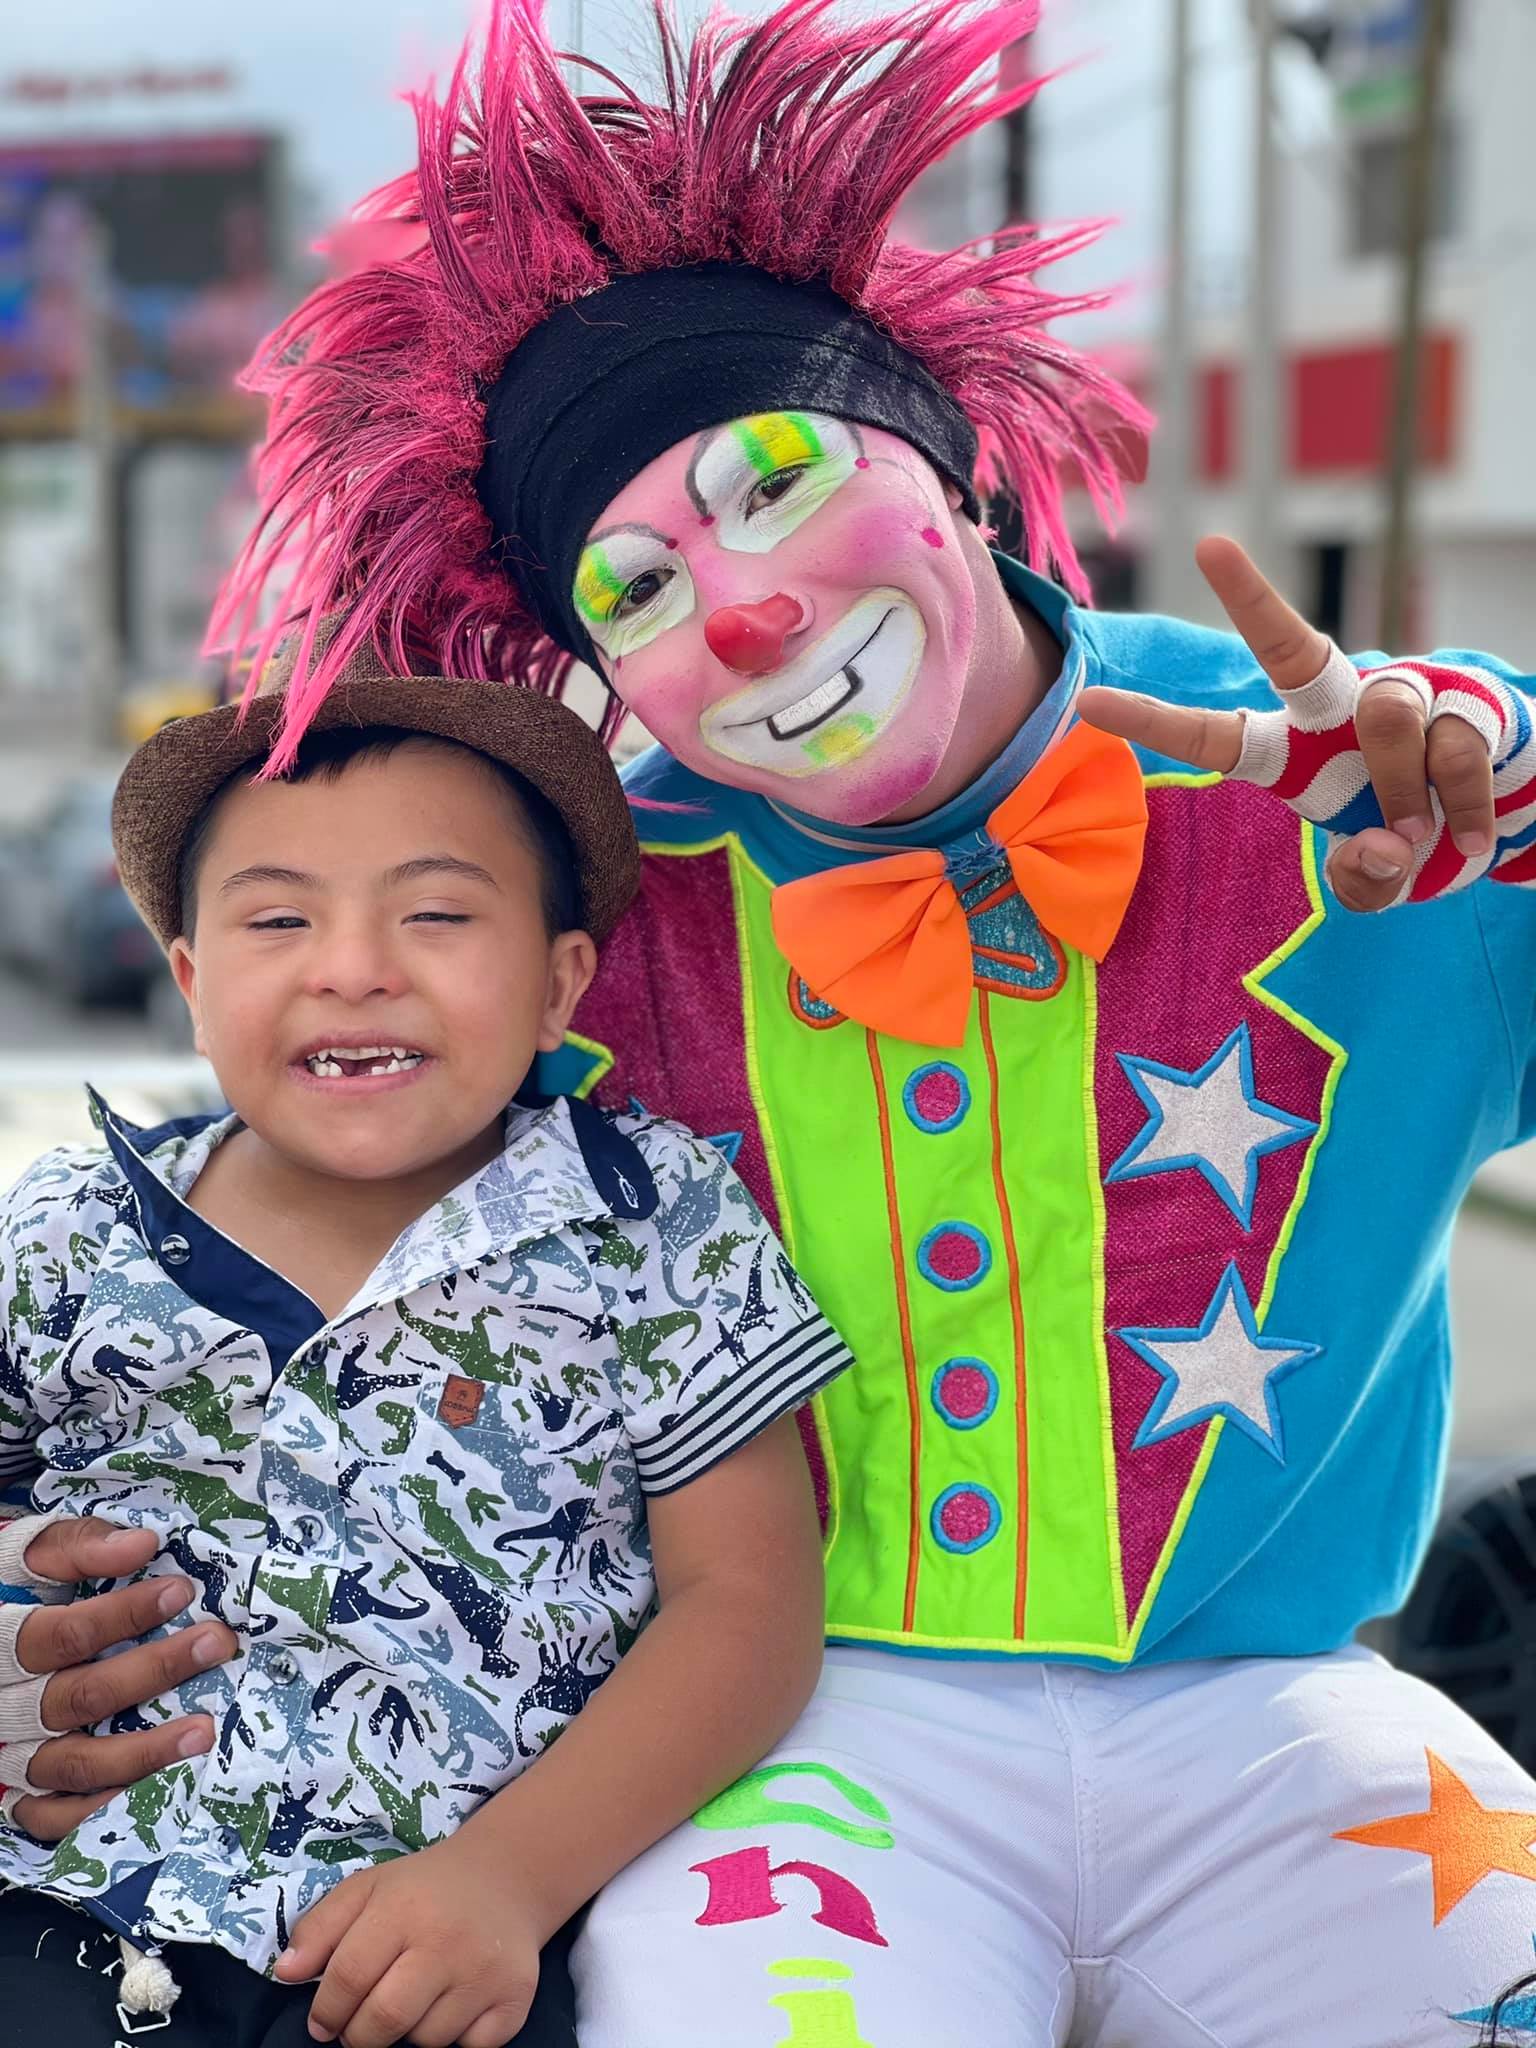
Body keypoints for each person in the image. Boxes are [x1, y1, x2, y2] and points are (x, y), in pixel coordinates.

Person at [11, 0, 1535, 2040]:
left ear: (964, 471)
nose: (737, 611)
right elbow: (295, 1274)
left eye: (775, 478)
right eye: (632, 588)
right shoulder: (590, 913)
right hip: (817, 1737)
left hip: (1288, 1718)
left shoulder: (1326, 786)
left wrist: (1507, 771)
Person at [0, 662, 850, 2048]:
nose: (354, 967)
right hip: (71, 1893)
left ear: (560, 983)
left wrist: (513, 1878)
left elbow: (751, 1605)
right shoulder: (65, 1228)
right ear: (193, 984)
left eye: (439, 913)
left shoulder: (651, 1222)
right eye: (280, 919)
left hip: (469, 1935)